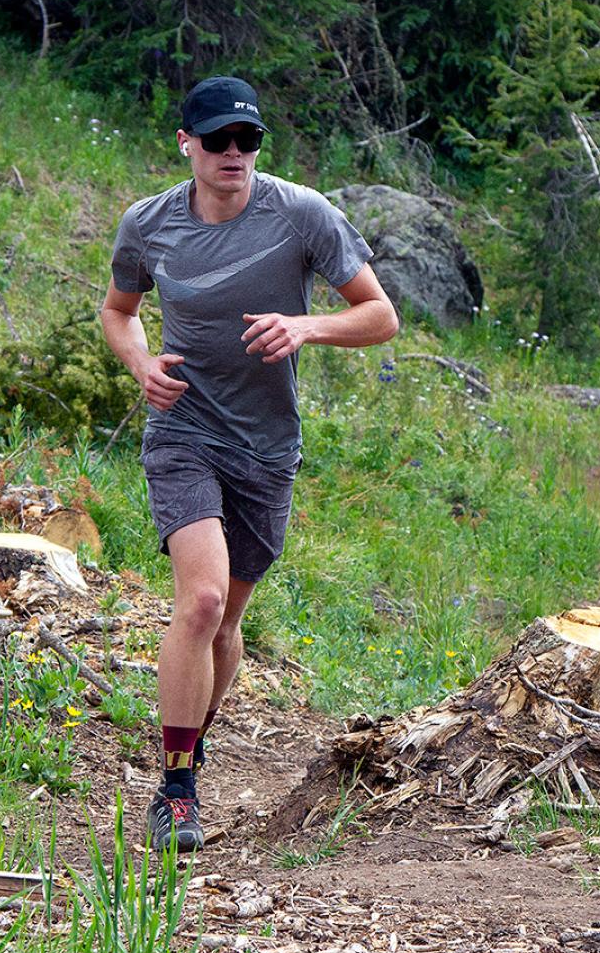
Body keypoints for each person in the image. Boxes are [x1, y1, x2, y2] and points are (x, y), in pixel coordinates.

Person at [99, 75, 399, 851]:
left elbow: (380, 316)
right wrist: (140, 366)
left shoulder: (300, 213)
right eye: (219, 139)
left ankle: (191, 751)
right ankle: (176, 792)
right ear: (186, 144)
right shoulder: (149, 223)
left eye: (249, 140)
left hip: (267, 445)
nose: (235, 152)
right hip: (184, 427)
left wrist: (307, 328)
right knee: (198, 603)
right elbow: (117, 310)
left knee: (228, 623)